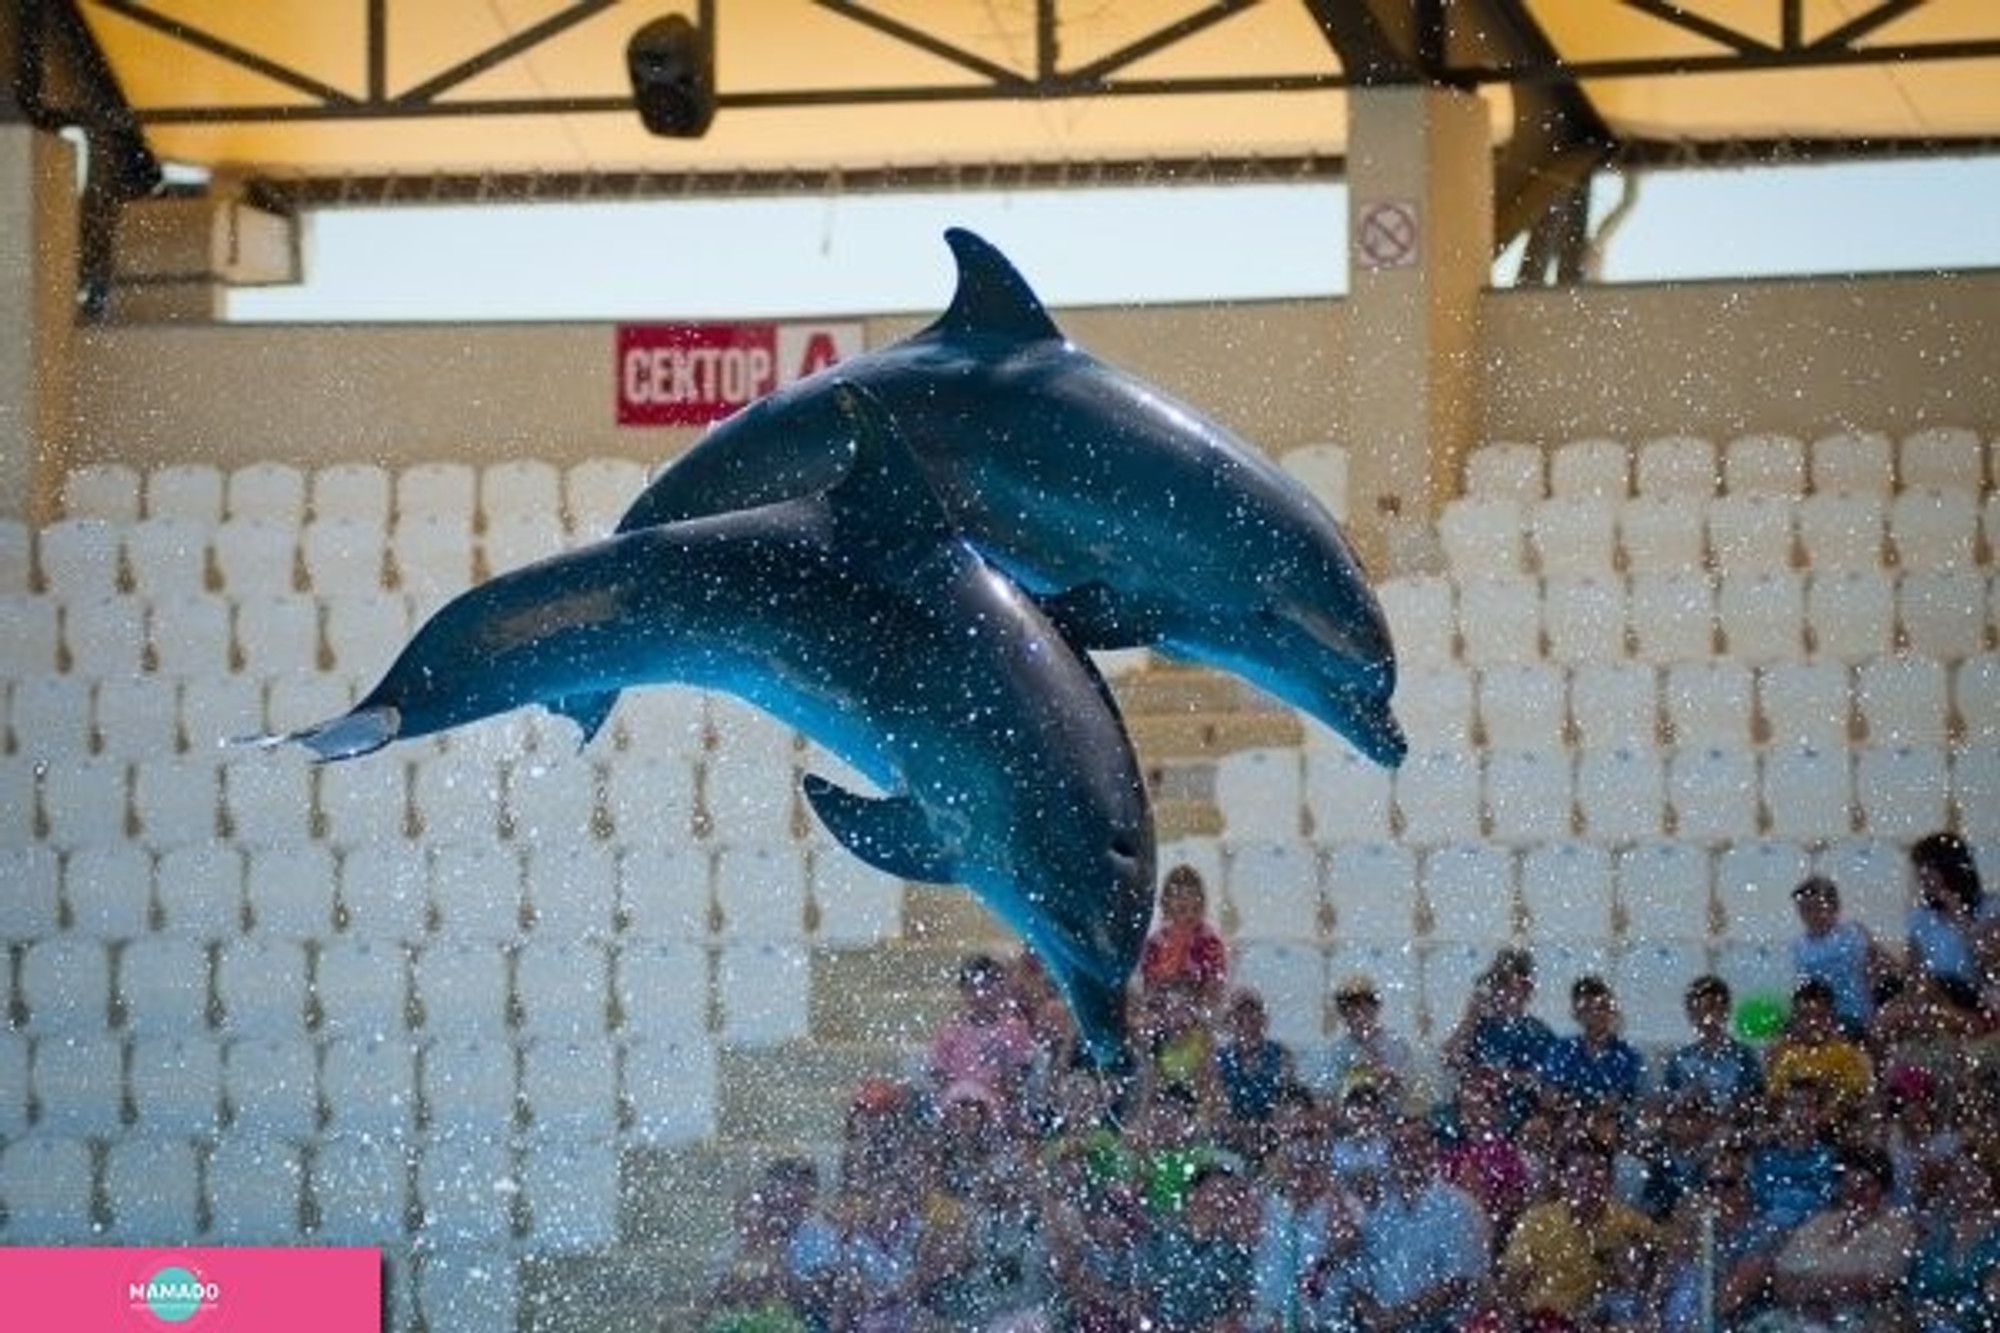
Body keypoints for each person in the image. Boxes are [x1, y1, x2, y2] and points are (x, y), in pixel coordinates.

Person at [1347, 1116, 1489, 1333]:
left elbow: (1457, 1282)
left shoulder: (1457, 1207)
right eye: (1398, 1146)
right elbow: (1359, 1277)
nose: (1406, 1153)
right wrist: (1374, 1318)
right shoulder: (1379, 1212)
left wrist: (1395, 1318)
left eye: (1415, 1143)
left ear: (1432, 1149)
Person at [1498, 1139, 1662, 1327]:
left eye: (1597, 1174)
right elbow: (1512, 1285)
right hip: (1545, 1320)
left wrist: (1652, 1291)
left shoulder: (1628, 1222)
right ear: (1562, 1180)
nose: (1588, 1183)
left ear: (1610, 1179)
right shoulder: (1536, 1222)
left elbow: (1673, 1251)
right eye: (1578, 1174)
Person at [1765, 1145, 1916, 1333]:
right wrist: (1814, 1295)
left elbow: (1878, 1283)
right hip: (1800, 1314)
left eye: (1866, 1185)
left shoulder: (1896, 1226)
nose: (1856, 1193)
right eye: (1848, 1185)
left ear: (1883, 1188)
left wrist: (1811, 1290)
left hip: (1863, 1318)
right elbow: (1781, 1277)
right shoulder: (1822, 1221)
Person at [1248, 1086, 1359, 1331]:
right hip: (1267, 1322)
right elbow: (1242, 1240)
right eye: (1293, 1135)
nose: (1301, 1145)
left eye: (1309, 1135)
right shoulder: (1261, 1195)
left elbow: (1345, 1244)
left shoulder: (1342, 1199)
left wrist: (1326, 1185)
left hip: (1323, 1323)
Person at [1441, 947, 1555, 1131]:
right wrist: (1470, 1017)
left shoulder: (1538, 1033)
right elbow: (1447, 1059)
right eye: (1496, 983)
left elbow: (1545, 1083)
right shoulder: (1479, 1027)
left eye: (1506, 983)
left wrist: (1500, 1076)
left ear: (1527, 989)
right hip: (1468, 1112)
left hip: (1513, 1113)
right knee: (1438, 1124)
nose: (1499, 990)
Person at [927, 953, 1039, 1114]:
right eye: (973, 988)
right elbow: (938, 1072)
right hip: (958, 1098)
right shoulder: (951, 1031)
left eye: (988, 987)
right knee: (959, 1105)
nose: (981, 995)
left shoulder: (1013, 1030)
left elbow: (1019, 1070)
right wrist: (955, 1087)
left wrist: (1007, 1090)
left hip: (998, 1100)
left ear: (1000, 989)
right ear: (963, 992)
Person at [1789, 874, 1893, 1037]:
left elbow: (1888, 966)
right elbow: (1805, 989)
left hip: (1853, 1015)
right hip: (1816, 1018)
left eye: (1817, 908)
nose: (1811, 915)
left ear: (1834, 907)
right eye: (1804, 910)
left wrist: (1879, 998)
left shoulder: (1853, 933)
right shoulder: (1799, 946)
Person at [1658, 973, 1765, 1117]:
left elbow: (1754, 1104)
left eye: (1711, 1008)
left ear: (1725, 1011)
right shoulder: (1680, 1060)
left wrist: (1727, 1110)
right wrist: (1686, 1101)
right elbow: (1667, 1105)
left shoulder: (1744, 1058)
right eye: (1697, 1009)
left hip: (1729, 1128)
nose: (1705, 1017)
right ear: (1690, 1014)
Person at [1543, 973, 1648, 1115]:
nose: (1595, 1015)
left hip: (1606, 1121)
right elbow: (1549, 1098)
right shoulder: (1563, 1049)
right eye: (1587, 1009)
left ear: (1611, 1012)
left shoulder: (1626, 1056)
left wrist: (1584, 1120)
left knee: (1605, 1131)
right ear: (1576, 1013)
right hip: (1565, 1119)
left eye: (1601, 1007)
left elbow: (1613, 1103)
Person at [1764, 976, 1873, 1110]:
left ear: (1832, 1018)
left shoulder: (1847, 1055)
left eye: (1820, 1016)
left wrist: (1829, 1110)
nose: (1812, 1023)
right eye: (1805, 1016)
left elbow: (1856, 1097)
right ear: (1795, 1020)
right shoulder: (1785, 1054)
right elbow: (1775, 1101)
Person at [1906, 831, 1992, 999]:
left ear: (1949, 868)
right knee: (1891, 1014)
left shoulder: (1989, 908)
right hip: (1934, 997)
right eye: (1920, 869)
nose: (1922, 876)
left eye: (1929, 867)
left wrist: (1959, 914)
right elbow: (1914, 973)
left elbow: (1989, 964)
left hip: (1974, 996)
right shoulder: (1921, 917)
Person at [1306, 972, 1415, 1106]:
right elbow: (1328, 1095)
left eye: (1364, 1006)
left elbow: (1409, 1092)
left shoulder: (1397, 1045)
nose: (1357, 1013)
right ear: (1342, 1013)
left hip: (1389, 1116)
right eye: (1349, 1008)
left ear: (1376, 1007)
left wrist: (1390, 1078)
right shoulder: (1337, 1051)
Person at [1212, 987, 1293, 1155]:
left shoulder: (1281, 1054)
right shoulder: (1219, 1060)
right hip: (1232, 1139)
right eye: (1239, 1014)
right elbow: (1216, 1108)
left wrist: (1264, 1131)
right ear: (1230, 1022)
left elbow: (1286, 1099)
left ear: (1263, 1020)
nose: (1246, 1019)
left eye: (1252, 1012)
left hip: (1272, 1137)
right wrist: (1242, 1133)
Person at [1140, 863, 1230, 1004]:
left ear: (1200, 903)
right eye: (1179, 896)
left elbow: (1215, 985)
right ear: (1166, 903)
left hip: (1198, 1015)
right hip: (1163, 1011)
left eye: (1191, 895)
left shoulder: (1209, 940)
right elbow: (1149, 984)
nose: (1185, 900)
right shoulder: (1156, 942)